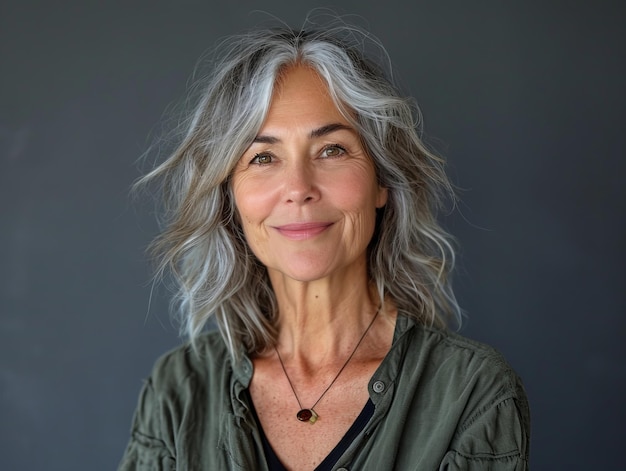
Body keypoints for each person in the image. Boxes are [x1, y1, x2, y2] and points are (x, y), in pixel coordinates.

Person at [119, 19, 530, 471]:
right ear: (231, 198)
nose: (298, 187)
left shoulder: (472, 393)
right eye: (263, 157)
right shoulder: (177, 391)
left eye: (331, 149)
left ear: (381, 183)